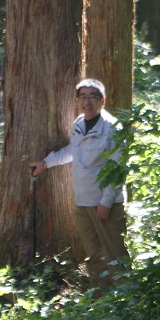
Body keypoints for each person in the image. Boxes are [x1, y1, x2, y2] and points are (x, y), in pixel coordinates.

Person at [31, 78, 129, 287]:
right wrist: (46, 162)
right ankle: (100, 296)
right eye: (82, 97)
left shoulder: (112, 128)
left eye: (92, 97)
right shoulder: (79, 123)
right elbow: (72, 151)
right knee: (94, 255)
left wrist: (106, 201)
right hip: (83, 202)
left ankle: (125, 297)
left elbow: (118, 168)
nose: (87, 102)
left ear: (102, 100)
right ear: (77, 101)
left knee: (115, 254)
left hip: (105, 204)